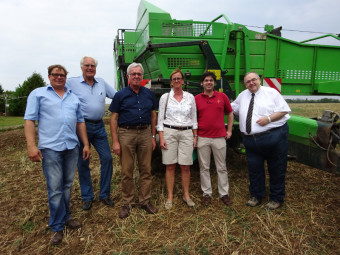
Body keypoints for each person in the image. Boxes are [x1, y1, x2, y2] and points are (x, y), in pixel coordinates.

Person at [24, 65, 91, 245]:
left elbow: (80, 122)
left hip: (71, 147)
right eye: (56, 75)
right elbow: (29, 120)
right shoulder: (38, 94)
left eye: (62, 75)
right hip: (50, 148)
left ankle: (66, 217)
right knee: (55, 189)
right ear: (49, 76)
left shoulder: (73, 97)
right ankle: (57, 226)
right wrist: (31, 146)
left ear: (66, 77)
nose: (59, 78)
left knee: (67, 185)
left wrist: (85, 144)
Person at [231, 71, 291, 210]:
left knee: (276, 169)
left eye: (254, 80)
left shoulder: (271, 93)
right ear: (245, 84)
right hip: (251, 141)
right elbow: (232, 107)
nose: (251, 83)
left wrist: (268, 119)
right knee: (255, 169)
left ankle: (276, 198)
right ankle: (256, 195)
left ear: (259, 79)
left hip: (273, 137)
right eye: (248, 82)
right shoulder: (243, 95)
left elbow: (284, 110)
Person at [66, 56, 116, 210]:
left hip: (99, 126)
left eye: (92, 65)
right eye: (87, 65)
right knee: (83, 163)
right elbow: (59, 93)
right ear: (81, 67)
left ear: (96, 68)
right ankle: (87, 197)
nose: (90, 68)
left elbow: (117, 95)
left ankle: (104, 194)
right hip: (82, 127)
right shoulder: (72, 83)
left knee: (107, 159)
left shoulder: (101, 82)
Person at [109, 62, 158, 219]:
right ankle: (128, 203)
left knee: (146, 169)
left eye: (139, 74)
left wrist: (152, 136)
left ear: (142, 77)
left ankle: (145, 201)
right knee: (127, 170)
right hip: (126, 134)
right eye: (133, 74)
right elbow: (114, 118)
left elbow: (153, 115)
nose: (136, 76)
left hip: (145, 133)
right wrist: (115, 141)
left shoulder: (149, 94)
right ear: (128, 76)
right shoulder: (120, 95)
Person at [157, 68, 198, 210]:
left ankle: (186, 195)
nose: (176, 81)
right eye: (174, 79)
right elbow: (160, 120)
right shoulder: (165, 98)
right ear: (171, 82)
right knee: (170, 165)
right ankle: (170, 197)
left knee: (185, 166)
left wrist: (195, 136)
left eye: (179, 78)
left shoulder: (190, 97)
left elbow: (194, 119)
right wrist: (161, 137)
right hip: (169, 132)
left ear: (183, 81)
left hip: (186, 132)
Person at [195, 71, 234, 207]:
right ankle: (207, 194)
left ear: (214, 82)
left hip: (219, 138)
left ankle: (224, 194)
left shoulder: (222, 97)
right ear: (202, 83)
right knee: (204, 167)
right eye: (206, 80)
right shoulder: (197, 98)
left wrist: (229, 130)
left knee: (221, 167)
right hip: (202, 137)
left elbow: (230, 113)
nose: (209, 83)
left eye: (211, 80)